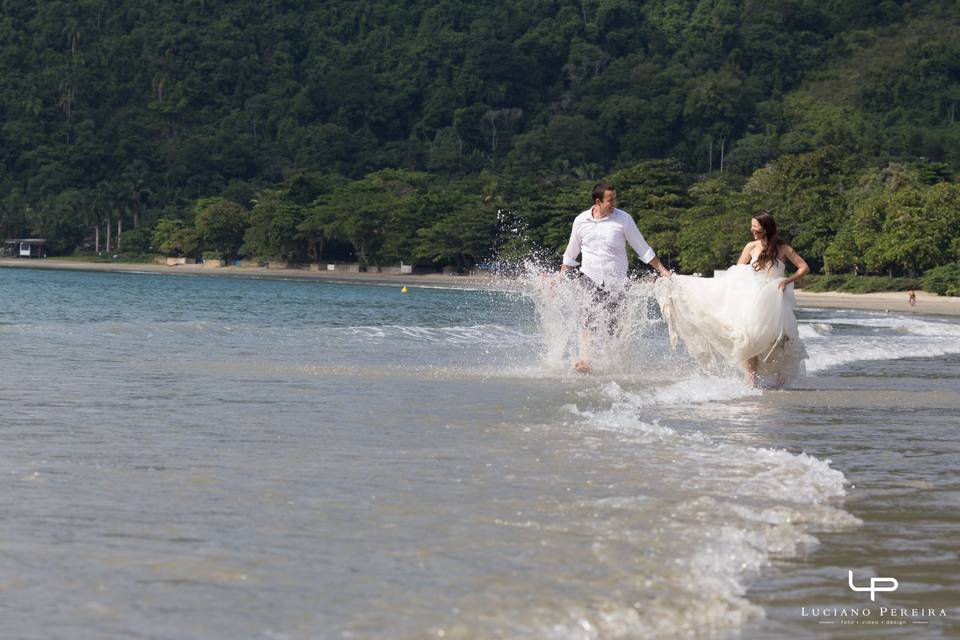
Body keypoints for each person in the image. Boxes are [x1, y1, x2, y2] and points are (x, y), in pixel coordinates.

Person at [655, 213, 809, 387]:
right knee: (747, 336)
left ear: (767, 228)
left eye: (756, 228)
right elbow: (736, 272)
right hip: (752, 299)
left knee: (780, 339)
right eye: (752, 227)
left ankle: (780, 380)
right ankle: (751, 380)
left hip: (775, 299)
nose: (753, 231)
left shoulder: (783, 248)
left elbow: (804, 267)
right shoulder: (751, 247)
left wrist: (786, 282)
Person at [560, 182, 672, 373]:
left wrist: (662, 270)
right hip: (589, 277)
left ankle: (609, 364)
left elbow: (642, 248)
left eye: (615, 199)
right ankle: (585, 361)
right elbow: (571, 252)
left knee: (614, 328)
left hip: (616, 282)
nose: (614, 203)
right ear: (598, 201)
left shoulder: (623, 220)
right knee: (588, 319)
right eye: (610, 200)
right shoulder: (581, 221)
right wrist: (561, 276)